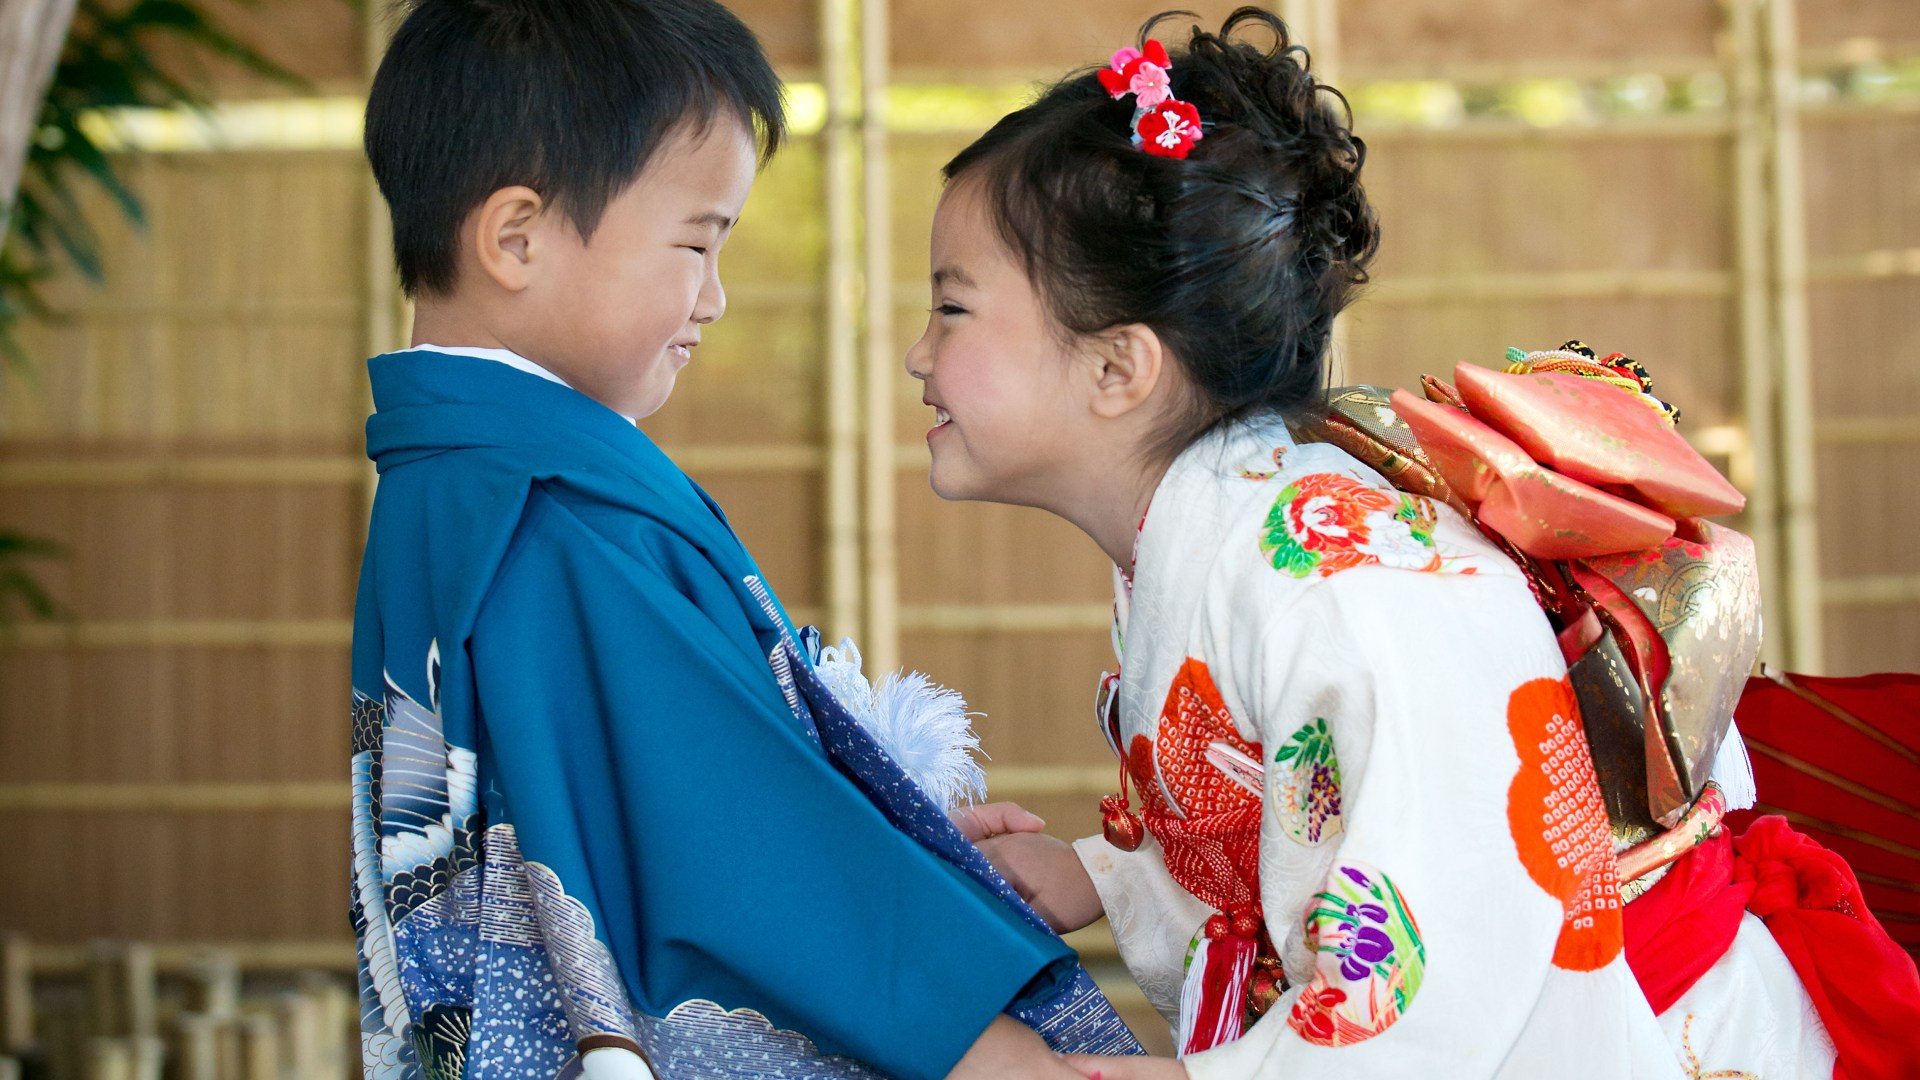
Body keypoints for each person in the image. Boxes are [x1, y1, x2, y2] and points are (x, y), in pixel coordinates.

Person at [907, 8, 1915, 1077]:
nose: (920, 357)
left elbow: (1449, 935)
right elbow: (1306, 822)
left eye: (953, 309)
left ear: (1119, 368)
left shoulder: (1336, 583)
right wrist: (1098, 878)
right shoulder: (1234, 533)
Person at [350, 2, 1104, 1078]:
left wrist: (901, 842)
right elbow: (739, 852)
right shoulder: (549, 517)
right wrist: (996, 1055)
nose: (714, 298)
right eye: (696, 244)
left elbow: (641, 800)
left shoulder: (458, 490)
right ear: (516, 238)